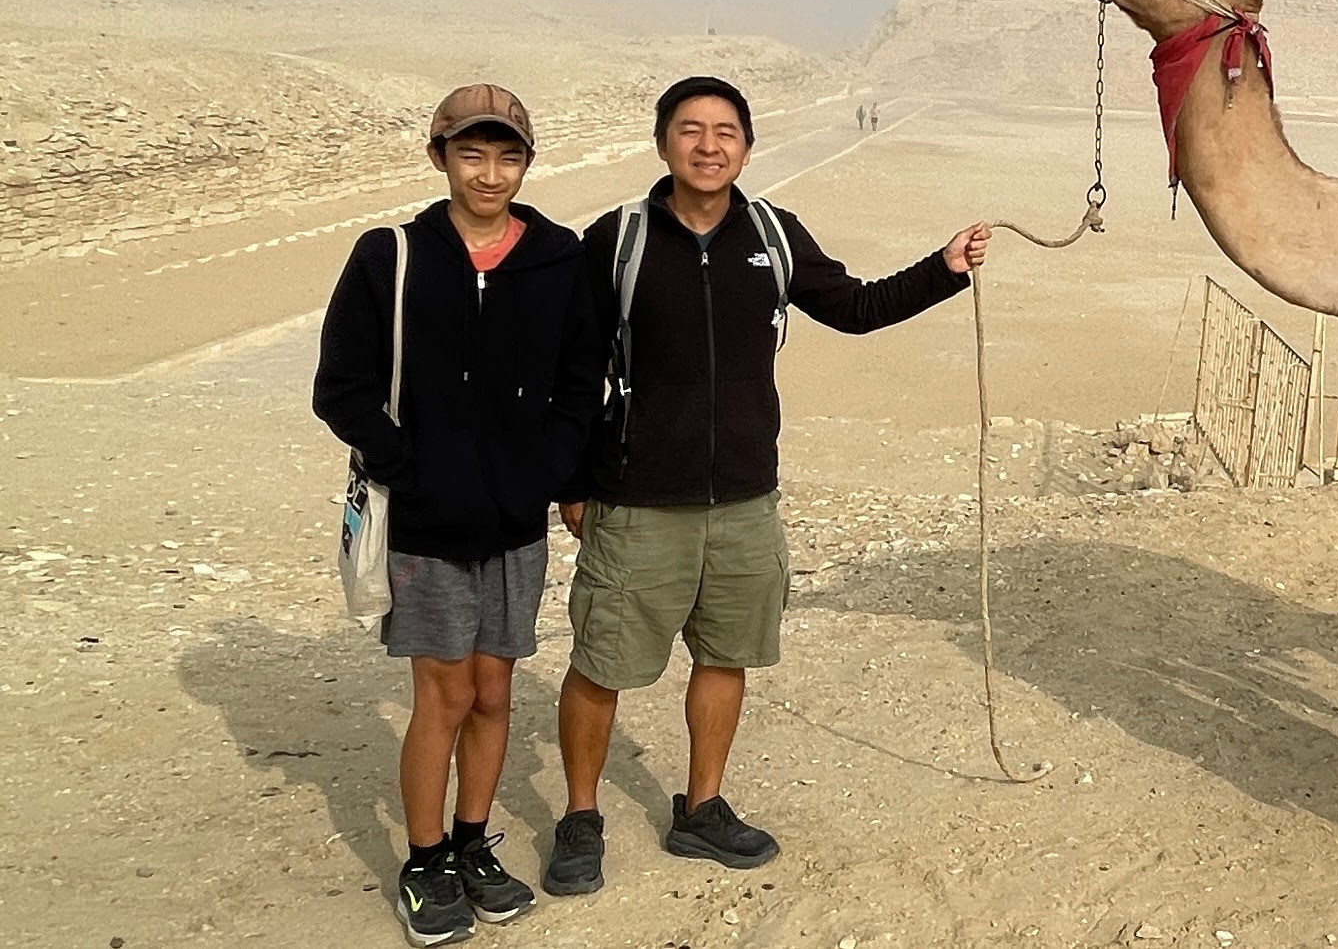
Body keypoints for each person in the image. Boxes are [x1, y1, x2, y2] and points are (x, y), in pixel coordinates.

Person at [543, 75, 987, 896]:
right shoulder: (619, 239)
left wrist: (944, 269)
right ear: (663, 141)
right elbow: (574, 372)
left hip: (745, 500)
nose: (708, 146)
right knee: (601, 663)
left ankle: (701, 809)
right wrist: (571, 482)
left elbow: (853, 307)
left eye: (726, 132)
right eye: (691, 130)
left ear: (747, 147)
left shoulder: (774, 236)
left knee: (726, 657)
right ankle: (580, 817)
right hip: (637, 501)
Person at [313, 84, 603, 947]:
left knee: (494, 688)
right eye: (471, 153)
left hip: (514, 519)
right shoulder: (391, 255)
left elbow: (580, 381)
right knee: (441, 693)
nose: (489, 171)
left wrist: (549, 471)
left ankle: (475, 844)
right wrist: (412, 464)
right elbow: (343, 387)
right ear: (438, 156)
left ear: (526, 162)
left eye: (506, 154)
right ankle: (424, 860)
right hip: (430, 519)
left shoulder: (557, 258)